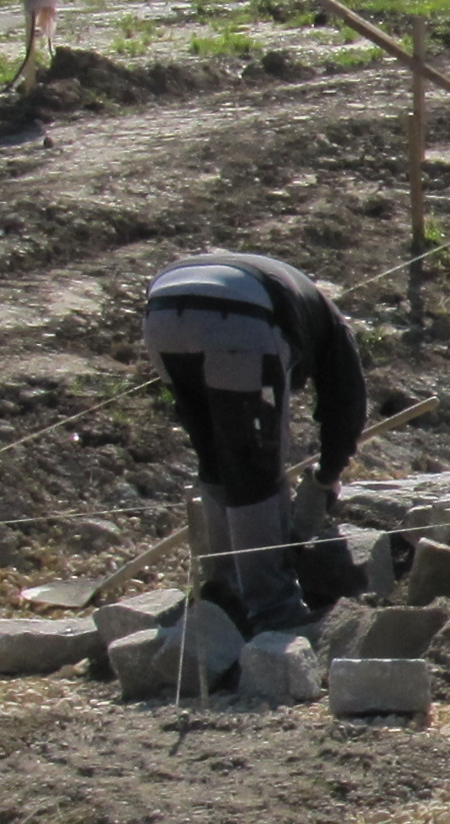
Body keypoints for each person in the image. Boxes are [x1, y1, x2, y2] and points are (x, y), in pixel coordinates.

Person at [137, 251, 369, 635]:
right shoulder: (330, 326)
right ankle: (273, 610)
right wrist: (326, 478)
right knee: (253, 466)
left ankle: (224, 592)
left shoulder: (299, 302)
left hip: (162, 312)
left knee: (214, 455)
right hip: (240, 318)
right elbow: (346, 407)